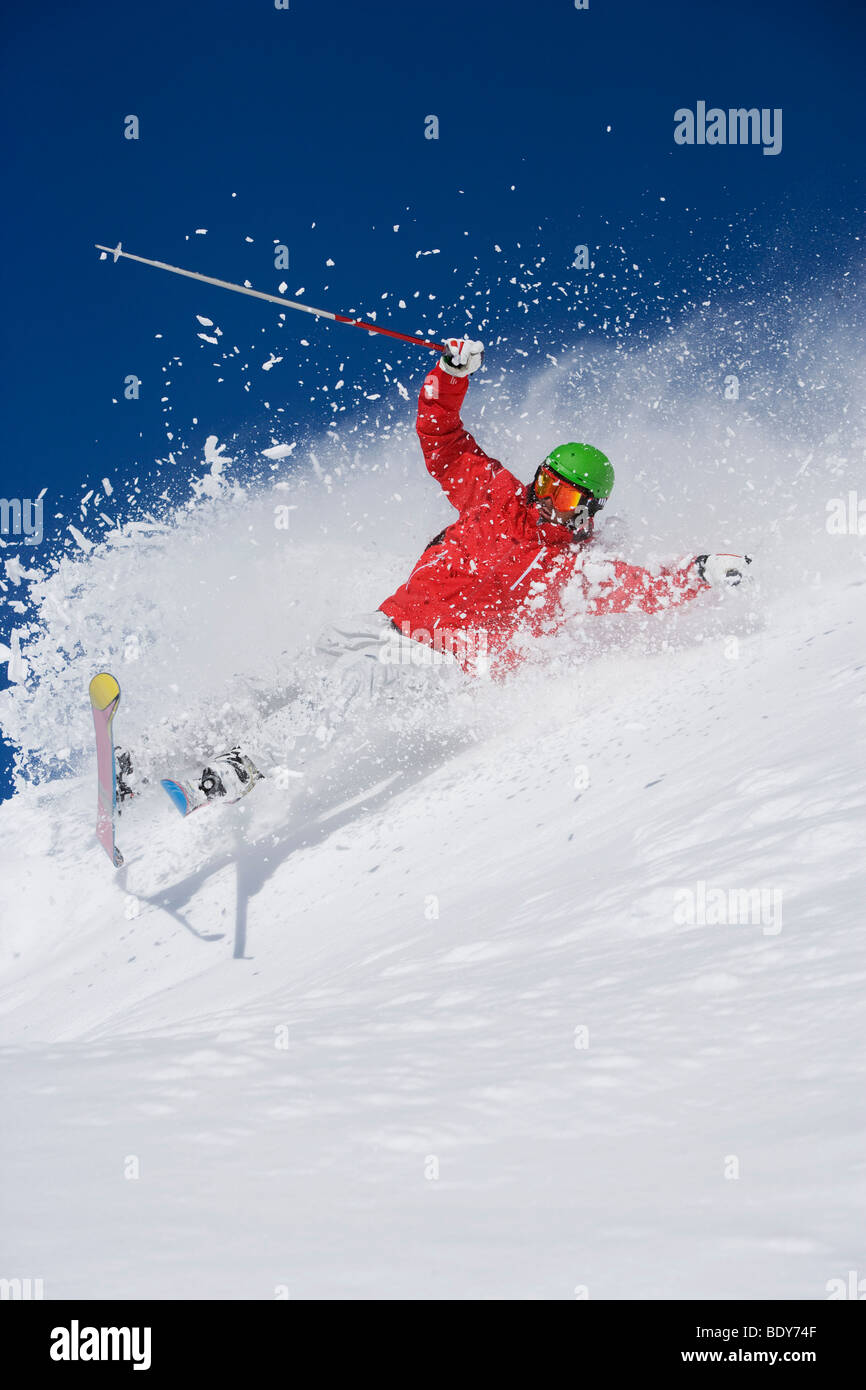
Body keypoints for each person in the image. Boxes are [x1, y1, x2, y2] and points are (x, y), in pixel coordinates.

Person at [314, 334, 752, 693]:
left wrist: (700, 571)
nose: (544, 501)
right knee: (315, 660)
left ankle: (251, 767)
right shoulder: (493, 495)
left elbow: (644, 586)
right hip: (389, 623)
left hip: (440, 661)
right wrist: (449, 376)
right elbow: (443, 441)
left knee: (358, 678)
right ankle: (247, 745)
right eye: (545, 484)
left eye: (562, 498)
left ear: (586, 512)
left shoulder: (572, 572)